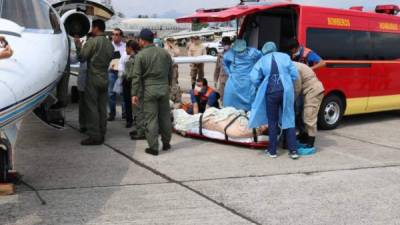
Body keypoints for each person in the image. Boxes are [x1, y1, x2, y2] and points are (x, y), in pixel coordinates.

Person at [249, 42, 299, 159]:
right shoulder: (285, 57)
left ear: (264, 50)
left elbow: (253, 77)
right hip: (286, 91)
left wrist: (261, 84)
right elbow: (294, 74)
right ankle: (293, 151)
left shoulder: (262, 60)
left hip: (271, 92)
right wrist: (287, 80)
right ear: (275, 48)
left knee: (272, 121)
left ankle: (272, 151)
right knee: (289, 118)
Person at [131, 29, 173, 156]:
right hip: (164, 88)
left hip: (149, 90)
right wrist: (168, 85)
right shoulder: (165, 53)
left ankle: (154, 147)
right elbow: (170, 72)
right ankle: (166, 143)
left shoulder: (141, 56)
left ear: (142, 41)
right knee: (165, 117)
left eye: (139, 40)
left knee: (151, 119)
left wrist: (134, 94)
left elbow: (136, 77)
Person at [75, 19, 114, 145]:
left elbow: (82, 57)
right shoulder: (109, 44)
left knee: (92, 107)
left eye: (92, 27)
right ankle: (102, 132)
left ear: (96, 28)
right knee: (102, 107)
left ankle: (94, 135)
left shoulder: (93, 42)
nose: (91, 29)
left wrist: (78, 46)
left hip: (93, 78)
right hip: (105, 77)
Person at [223, 39, 262, 111]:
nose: (240, 52)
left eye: (241, 50)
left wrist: (256, 71)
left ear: (246, 47)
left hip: (247, 81)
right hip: (234, 81)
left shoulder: (253, 52)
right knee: (231, 103)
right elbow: (225, 63)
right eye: (238, 51)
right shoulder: (230, 53)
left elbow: (261, 59)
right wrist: (230, 73)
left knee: (249, 103)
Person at [294, 62, 325, 149]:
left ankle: (311, 142)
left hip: (313, 90)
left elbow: (297, 87)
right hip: (307, 91)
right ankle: (303, 136)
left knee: (309, 115)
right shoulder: (293, 65)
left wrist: (292, 100)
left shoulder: (295, 68)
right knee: (301, 114)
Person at [119, 40, 141, 129]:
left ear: (130, 48)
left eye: (126, 48)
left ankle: (132, 120)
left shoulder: (132, 58)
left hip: (130, 81)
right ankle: (133, 119)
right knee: (132, 102)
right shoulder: (137, 56)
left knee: (130, 101)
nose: (125, 50)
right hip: (133, 82)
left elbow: (128, 73)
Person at [108, 28, 126, 121]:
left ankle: (124, 113)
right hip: (111, 72)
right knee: (111, 93)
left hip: (122, 72)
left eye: (117, 34)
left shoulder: (125, 46)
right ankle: (112, 113)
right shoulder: (108, 46)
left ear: (121, 36)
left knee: (123, 93)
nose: (115, 36)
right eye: (113, 34)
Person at [213, 37, 232, 103]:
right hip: (222, 80)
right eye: (224, 44)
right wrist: (215, 80)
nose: (225, 46)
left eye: (226, 44)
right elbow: (217, 69)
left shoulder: (234, 54)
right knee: (222, 97)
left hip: (231, 81)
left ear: (230, 44)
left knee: (231, 98)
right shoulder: (220, 55)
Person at [164, 37, 181, 103]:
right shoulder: (165, 47)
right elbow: (166, 54)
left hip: (174, 67)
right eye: (170, 41)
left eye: (172, 41)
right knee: (168, 82)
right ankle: (169, 97)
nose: (171, 42)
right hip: (167, 68)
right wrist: (168, 47)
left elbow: (177, 53)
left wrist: (173, 47)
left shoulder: (175, 47)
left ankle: (175, 97)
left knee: (174, 81)